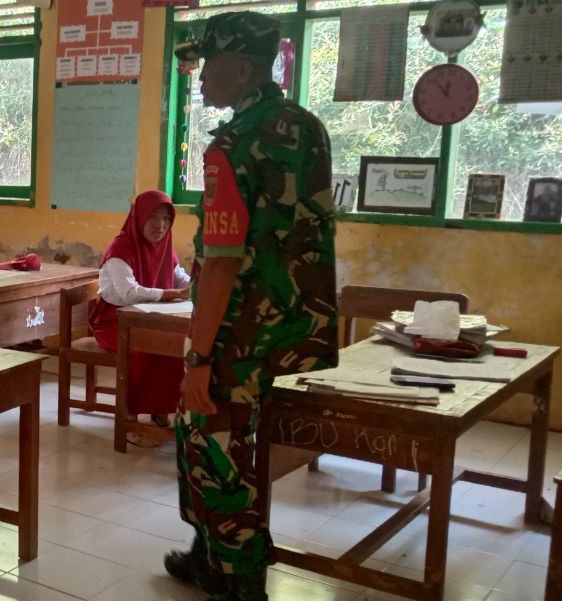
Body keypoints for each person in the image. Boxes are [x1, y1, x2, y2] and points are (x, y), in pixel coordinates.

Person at [167, 12, 338, 601]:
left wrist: (198, 358)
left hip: (238, 334)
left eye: (208, 66)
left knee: (212, 444)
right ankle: (209, 554)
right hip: (298, 327)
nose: (200, 78)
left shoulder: (232, 144)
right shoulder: (307, 127)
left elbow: (221, 263)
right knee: (233, 444)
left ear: (241, 70)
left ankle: (237, 579)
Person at [88, 191, 191, 430]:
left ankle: (160, 410)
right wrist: (172, 294)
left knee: (174, 345)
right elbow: (128, 293)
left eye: (166, 219)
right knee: (147, 348)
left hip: (150, 321)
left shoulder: (166, 248)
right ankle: (130, 415)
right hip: (115, 322)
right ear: (139, 217)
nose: (160, 225)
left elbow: (181, 279)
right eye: (152, 216)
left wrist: (198, 283)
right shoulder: (121, 248)